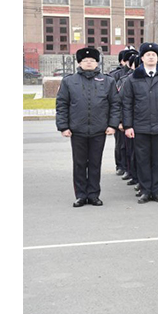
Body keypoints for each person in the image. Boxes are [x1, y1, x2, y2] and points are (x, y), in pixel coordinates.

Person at [56, 47, 120, 207]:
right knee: (79, 163)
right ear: (79, 63)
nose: (89, 63)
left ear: (97, 62)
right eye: (85, 60)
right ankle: (80, 195)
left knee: (95, 163)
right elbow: (62, 104)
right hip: (77, 130)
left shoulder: (107, 81)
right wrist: (63, 126)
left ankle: (93, 194)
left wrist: (112, 125)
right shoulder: (69, 81)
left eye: (92, 60)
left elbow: (115, 104)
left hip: (99, 130)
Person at [121, 42, 158, 203]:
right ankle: (146, 190)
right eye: (148, 54)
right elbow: (127, 104)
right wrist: (128, 126)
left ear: (157, 58)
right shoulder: (133, 79)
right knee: (143, 160)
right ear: (142, 58)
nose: (151, 57)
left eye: (154, 55)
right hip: (140, 126)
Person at [109, 47, 137, 177]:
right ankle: (121, 165)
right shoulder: (117, 76)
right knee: (121, 144)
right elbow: (115, 99)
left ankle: (130, 168)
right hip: (122, 116)